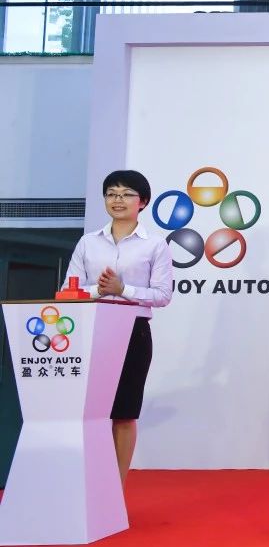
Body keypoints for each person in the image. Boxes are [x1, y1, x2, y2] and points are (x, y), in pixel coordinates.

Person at [64, 170, 173, 484]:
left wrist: (123, 289)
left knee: (123, 412)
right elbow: (68, 289)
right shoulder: (88, 243)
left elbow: (163, 295)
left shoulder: (155, 245)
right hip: (91, 331)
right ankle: (88, 483)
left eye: (126, 194)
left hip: (133, 331)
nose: (117, 200)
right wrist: (100, 290)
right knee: (89, 412)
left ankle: (115, 489)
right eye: (111, 194)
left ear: (143, 202)